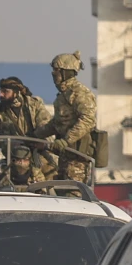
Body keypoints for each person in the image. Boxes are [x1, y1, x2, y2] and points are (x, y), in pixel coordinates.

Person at [34, 52, 98, 183]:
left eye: (56, 70)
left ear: (66, 72)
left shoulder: (79, 93)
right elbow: (58, 123)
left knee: (73, 194)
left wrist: (66, 141)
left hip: (77, 157)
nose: (53, 74)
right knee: (61, 192)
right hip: (65, 155)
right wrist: (37, 133)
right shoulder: (64, 95)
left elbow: (88, 120)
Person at [0, 76, 54, 178]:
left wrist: (37, 139)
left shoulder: (34, 105)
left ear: (16, 92)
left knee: (53, 174)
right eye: (0, 91)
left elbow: (47, 126)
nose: (1, 94)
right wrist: (6, 142)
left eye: (5, 91)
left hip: (38, 154)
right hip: (13, 157)